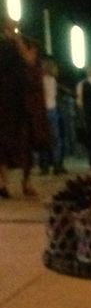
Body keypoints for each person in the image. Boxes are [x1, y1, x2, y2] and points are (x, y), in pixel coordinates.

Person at [0, 21, 48, 196]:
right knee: (3, 143)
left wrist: (17, 39)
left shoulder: (28, 42)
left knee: (26, 142)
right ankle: (3, 184)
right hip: (5, 98)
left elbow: (29, 60)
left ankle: (26, 183)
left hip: (24, 100)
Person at [38, 57, 65, 175]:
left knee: (43, 138)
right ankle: (57, 164)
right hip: (52, 109)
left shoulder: (39, 80)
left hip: (42, 111)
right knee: (56, 139)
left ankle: (44, 165)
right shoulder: (53, 80)